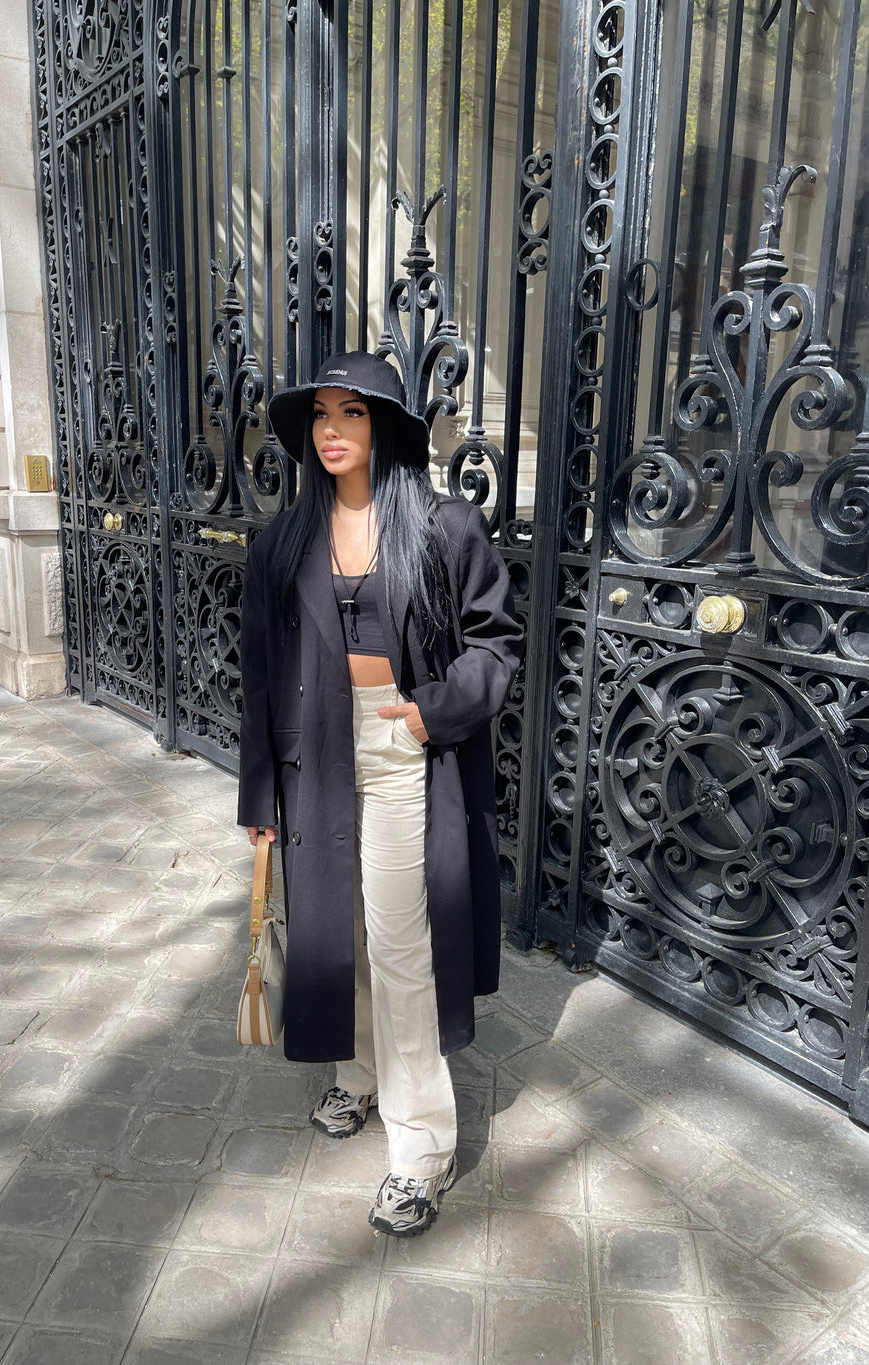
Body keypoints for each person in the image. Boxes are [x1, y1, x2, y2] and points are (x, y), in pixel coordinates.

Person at [237, 351, 522, 1236]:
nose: (331, 430)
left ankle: (421, 1148)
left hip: (404, 746)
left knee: (400, 943)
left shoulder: (444, 527)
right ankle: (357, 1076)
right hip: (312, 753)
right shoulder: (282, 542)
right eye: (320, 414)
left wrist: (431, 713)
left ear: (384, 427)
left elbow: (496, 644)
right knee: (337, 928)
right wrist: (258, 801)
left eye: (351, 413)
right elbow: (259, 676)